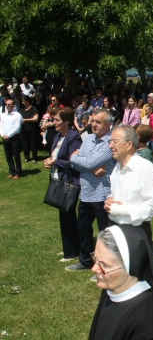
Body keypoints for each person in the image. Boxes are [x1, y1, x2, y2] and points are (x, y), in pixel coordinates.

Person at [88, 224, 153, 340]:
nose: (94, 269)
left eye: (104, 265)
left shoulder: (146, 320)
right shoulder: (111, 290)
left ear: (129, 267)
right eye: (96, 259)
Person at [66, 109, 116, 273]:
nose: (93, 124)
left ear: (108, 125)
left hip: (102, 194)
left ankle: (105, 266)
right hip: (86, 193)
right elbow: (81, 162)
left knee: (105, 233)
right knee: (83, 228)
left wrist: (79, 160)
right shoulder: (87, 138)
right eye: (92, 120)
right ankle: (85, 260)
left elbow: (89, 162)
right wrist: (80, 161)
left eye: (98, 122)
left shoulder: (110, 143)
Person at [105, 125, 153, 245]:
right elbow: (116, 192)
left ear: (129, 144)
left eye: (114, 142)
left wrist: (119, 210)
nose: (110, 146)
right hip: (114, 228)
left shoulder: (145, 168)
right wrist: (109, 200)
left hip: (136, 231)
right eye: (110, 142)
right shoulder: (117, 167)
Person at [43, 107, 82, 262]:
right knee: (64, 214)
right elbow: (54, 155)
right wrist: (49, 161)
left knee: (68, 214)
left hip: (69, 180)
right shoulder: (58, 136)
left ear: (66, 122)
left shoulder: (74, 138)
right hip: (58, 178)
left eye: (57, 120)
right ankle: (69, 247)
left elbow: (74, 162)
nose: (54, 123)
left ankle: (72, 251)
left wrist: (55, 162)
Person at [19, 95, 39, 163]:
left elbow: (36, 118)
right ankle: (26, 157)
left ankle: (34, 157)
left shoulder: (33, 108)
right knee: (25, 143)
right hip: (23, 129)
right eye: (22, 101)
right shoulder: (21, 109)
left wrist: (25, 120)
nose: (23, 102)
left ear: (28, 101)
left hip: (31, 129)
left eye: (24, 101)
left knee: (33, 143)